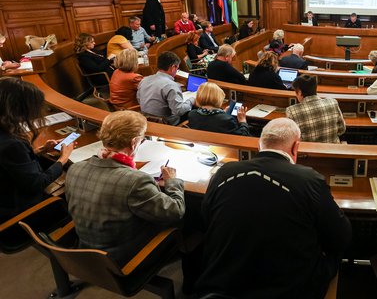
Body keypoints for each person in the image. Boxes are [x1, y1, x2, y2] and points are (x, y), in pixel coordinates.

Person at [194, 118, 351, 298]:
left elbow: (206, 218)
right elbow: (341, 236)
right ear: (295, 147)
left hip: (221, 287)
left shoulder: (224, 172)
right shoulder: (309, 179)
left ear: (259, 145)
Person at [66, 111, 185, 265]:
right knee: (184, 221)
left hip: (84, 248)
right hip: (122, 259)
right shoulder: (136, 181)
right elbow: (175, 211)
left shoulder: (75, 168)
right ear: (134, 142)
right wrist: (172, 182)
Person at [0, 78, 74, 222]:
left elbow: (10, 164)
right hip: (19, 214)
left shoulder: (6, 137)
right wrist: (63, 158)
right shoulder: (12, 144)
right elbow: (37, 183)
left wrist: (40, 151)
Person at [137, 51, 194, 125]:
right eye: (177, 68)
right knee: (194, 113)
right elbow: (179, 111)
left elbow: (139, 99)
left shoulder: (144, 80)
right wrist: (191, 100)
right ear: (173, 67)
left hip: (145, 120)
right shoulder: (171, 85)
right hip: (165, 123)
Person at [286, 75, 345, 143]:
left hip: (307, 152)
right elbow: (342, 130)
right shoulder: (333, 102)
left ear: (299, 92)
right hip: (332, 150)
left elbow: (292, 139)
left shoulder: (292, 111)